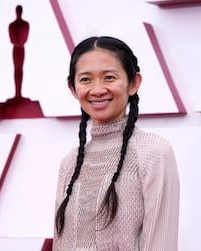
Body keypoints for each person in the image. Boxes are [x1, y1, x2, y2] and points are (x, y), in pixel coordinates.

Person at [53, 36, 180, 250]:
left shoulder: (153, 153)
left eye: (109, 77)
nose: (98, 89)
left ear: (133, 83)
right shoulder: (70, 163)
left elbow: (162, 243)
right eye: (86, 79)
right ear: (73, 89)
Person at [8, 5, 29, 100]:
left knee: (20, 69)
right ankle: (17, 94)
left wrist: (19, 41)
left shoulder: (25, 24)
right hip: (16, 49)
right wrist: (19, 41)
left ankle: (19, 93)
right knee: (16, 69)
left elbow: (24, 39)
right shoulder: (12, 25)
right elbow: (13, 40)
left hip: (20, 48)